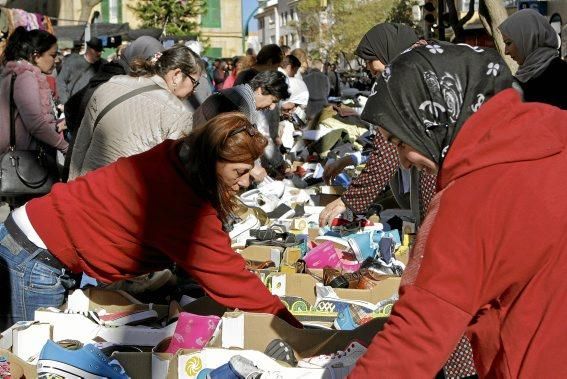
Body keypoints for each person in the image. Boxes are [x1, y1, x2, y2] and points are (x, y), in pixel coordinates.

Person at [349, 42, 567, 377]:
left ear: (434, 118)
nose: (405, 160)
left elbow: (415, 337)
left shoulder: (473, 197)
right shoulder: (552, 136)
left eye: (402, 142)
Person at [0, 112, 302, 330]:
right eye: (239, 172)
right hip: (35, 255)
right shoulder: (179, 201)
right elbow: (231, 279)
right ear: (211, 162)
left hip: (35, 241)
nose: (246, 182)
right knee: (32, 361)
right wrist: (295, 331)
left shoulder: (174, 157)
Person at [319, 23, 436, 227]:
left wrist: (351, 199)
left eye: (369, 59)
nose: (368, 67)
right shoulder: (428, 62)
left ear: (386, 50)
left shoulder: (404, 76)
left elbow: (388, 151)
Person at [68, 44, 200, 180]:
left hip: (87, 189)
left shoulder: (111, 84)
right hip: (126, 196)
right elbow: (170, 176)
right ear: (177, 75)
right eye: (194, 82)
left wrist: (72, 186)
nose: (194, 90)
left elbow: (80, 145)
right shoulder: (179, 114)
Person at [0, 27, 69, 208]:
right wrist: (64, 146)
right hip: (30, 162)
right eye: (52, 55)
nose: (56, 61)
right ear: (36, 55)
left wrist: (56, 125)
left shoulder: (16, 75)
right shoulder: (26, 77)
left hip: (24, 158)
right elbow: (35, 124)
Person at [193, 70, 290, 178]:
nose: (272, 107)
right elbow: (223, 147)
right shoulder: (233, 104)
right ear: (260, 90)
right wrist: (252, 168)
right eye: (273, 101)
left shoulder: (241, 101)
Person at [498, 8, 567, 109]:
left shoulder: (561, 75)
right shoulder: (519, 81)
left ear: (527, 38)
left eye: (508, 43)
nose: (506, 51)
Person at [57, 37, 104, 105]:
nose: (99, 53)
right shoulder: (72, 61)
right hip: (73, 105)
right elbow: (61, 81)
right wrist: (64, 102)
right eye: (96, 50)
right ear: (88, 49)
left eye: (100, 51)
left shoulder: (103, 65)